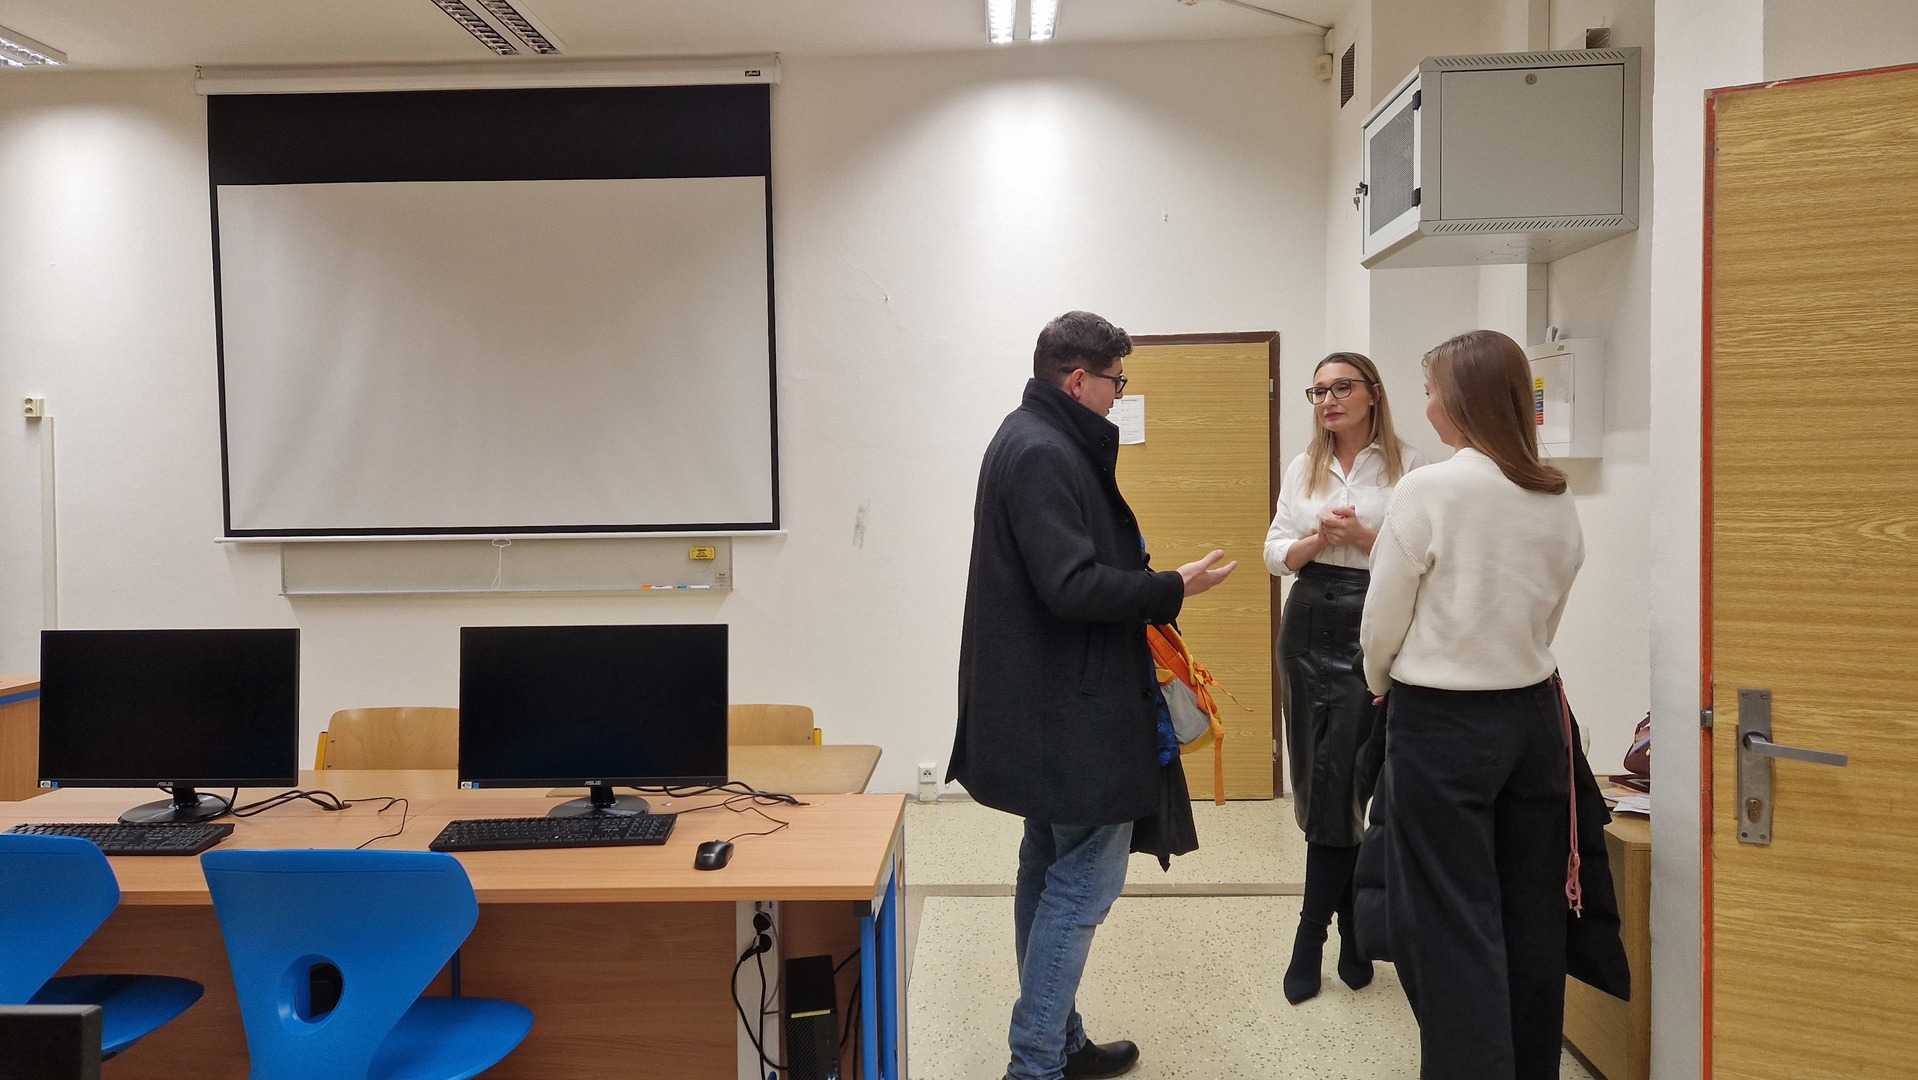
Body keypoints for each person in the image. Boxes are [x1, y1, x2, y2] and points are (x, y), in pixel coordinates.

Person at [949, 310, 1236, 1080]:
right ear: (1078, 380)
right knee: (1082, 885)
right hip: (1071, 714)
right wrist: (1170, 586)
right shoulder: (1043, 451)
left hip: (1051, 703)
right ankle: (1035, 1063)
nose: (1119, 395)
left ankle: (1061, 1043)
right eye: (1116, 381)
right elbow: (1070, 585)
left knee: (1047, 867)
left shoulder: (1030, 437)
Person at [1358, 329, 1587, 1079]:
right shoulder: (1553, 494)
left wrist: (1379, 681)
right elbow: (1547, 616)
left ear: (1460, 401)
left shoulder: (1429, 489)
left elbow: (1382, 620)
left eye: (1430, 391)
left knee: (1450, 924)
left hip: (1442, 724)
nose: (1425, 406)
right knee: (1531, 917)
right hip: (1534, 720)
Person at [1261, 351, 1427, 1004]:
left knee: (1350, 777)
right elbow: (1275, 552)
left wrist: (1361, 537)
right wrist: (1315, 541)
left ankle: (1312, 936)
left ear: (1373, 393)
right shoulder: (1304, 465)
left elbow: (1422, 557)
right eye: (1318, 391)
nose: (1328, 400)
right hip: (1306, 622)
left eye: (1341, 387)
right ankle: (1353, 928)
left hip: (1372, 621)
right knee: (1316, 777)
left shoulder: (1411, 467)